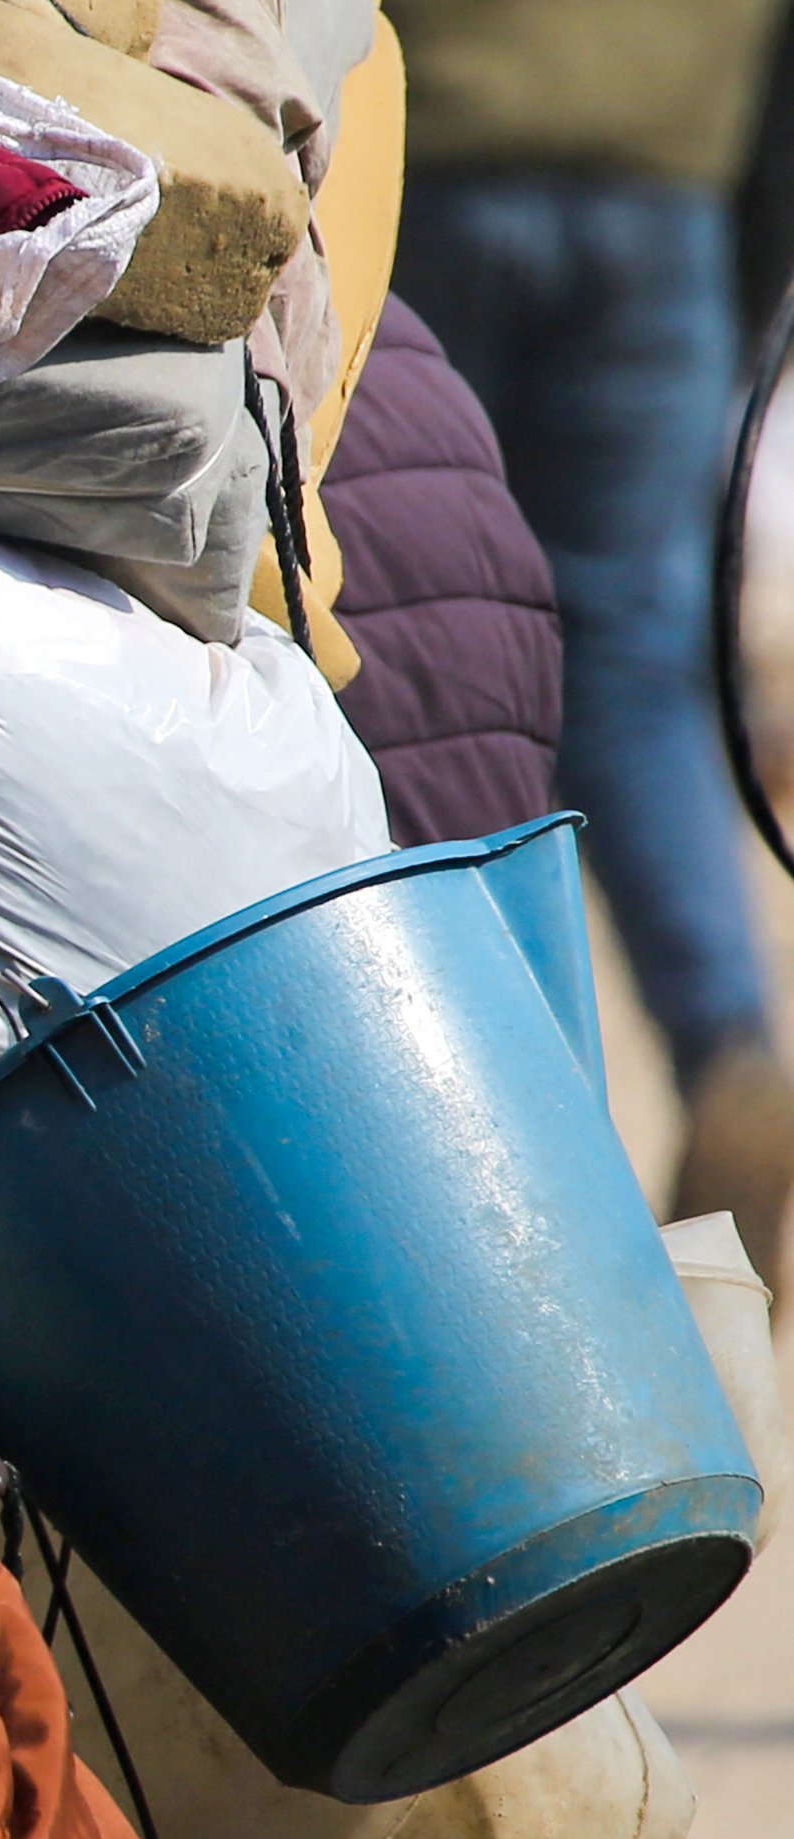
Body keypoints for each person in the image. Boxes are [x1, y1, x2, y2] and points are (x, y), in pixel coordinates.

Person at [386, 0, 794, 1287]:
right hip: (668, 181)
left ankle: (478, 1111)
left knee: (420, 632)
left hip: (427, 161)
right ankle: (728, 1047)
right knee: (635, 663)